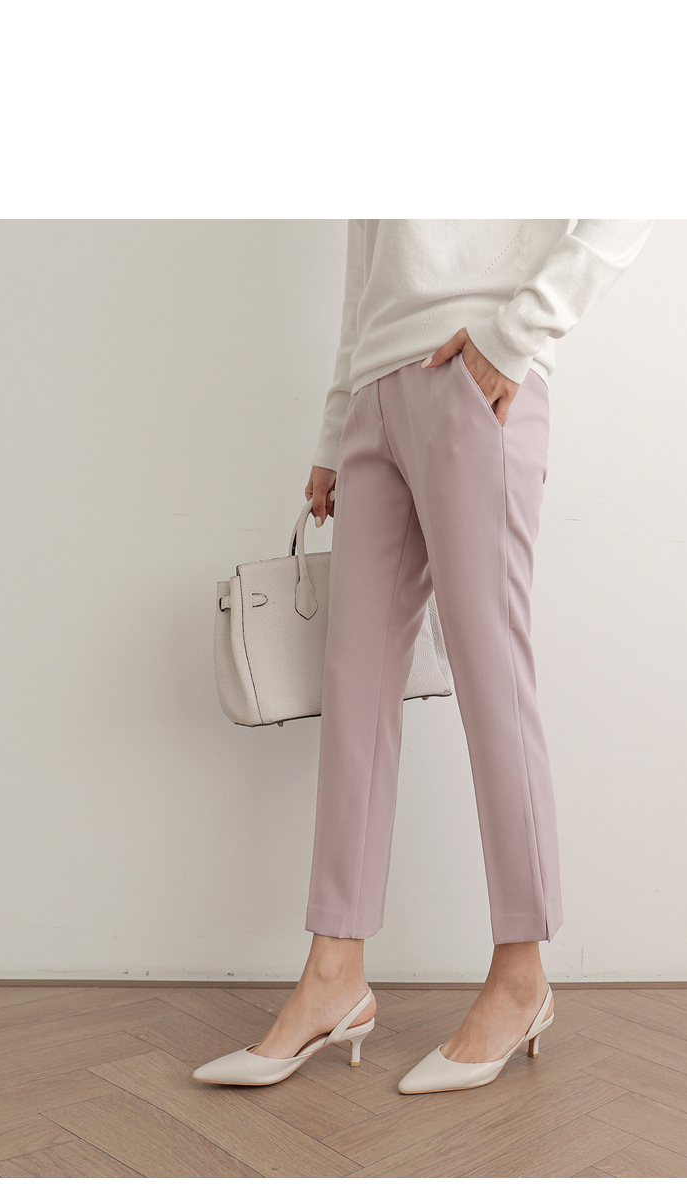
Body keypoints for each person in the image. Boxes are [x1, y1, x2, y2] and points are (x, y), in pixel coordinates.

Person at [194, 220, 652, 1095]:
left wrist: (516, 336)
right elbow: (367, 254)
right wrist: (337, 423)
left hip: (478, 372)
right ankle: (335, 971)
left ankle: (521, 976)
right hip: (378, 387)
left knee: (492, 679)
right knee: (354, 688)